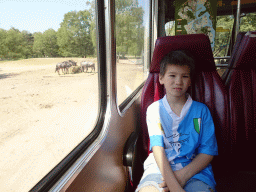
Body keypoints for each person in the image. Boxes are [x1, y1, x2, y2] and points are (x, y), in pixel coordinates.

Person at [136, 50, 218, 192]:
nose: (178, 81)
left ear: (190, 81)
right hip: (159, 167)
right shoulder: (154, 110)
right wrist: (174, 186)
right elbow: (158, 149)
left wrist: (181, 176)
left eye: (185, 76)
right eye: (172, 75)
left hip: (194, 169)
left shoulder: (201, 111)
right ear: (161, 78)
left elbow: (207, 151)